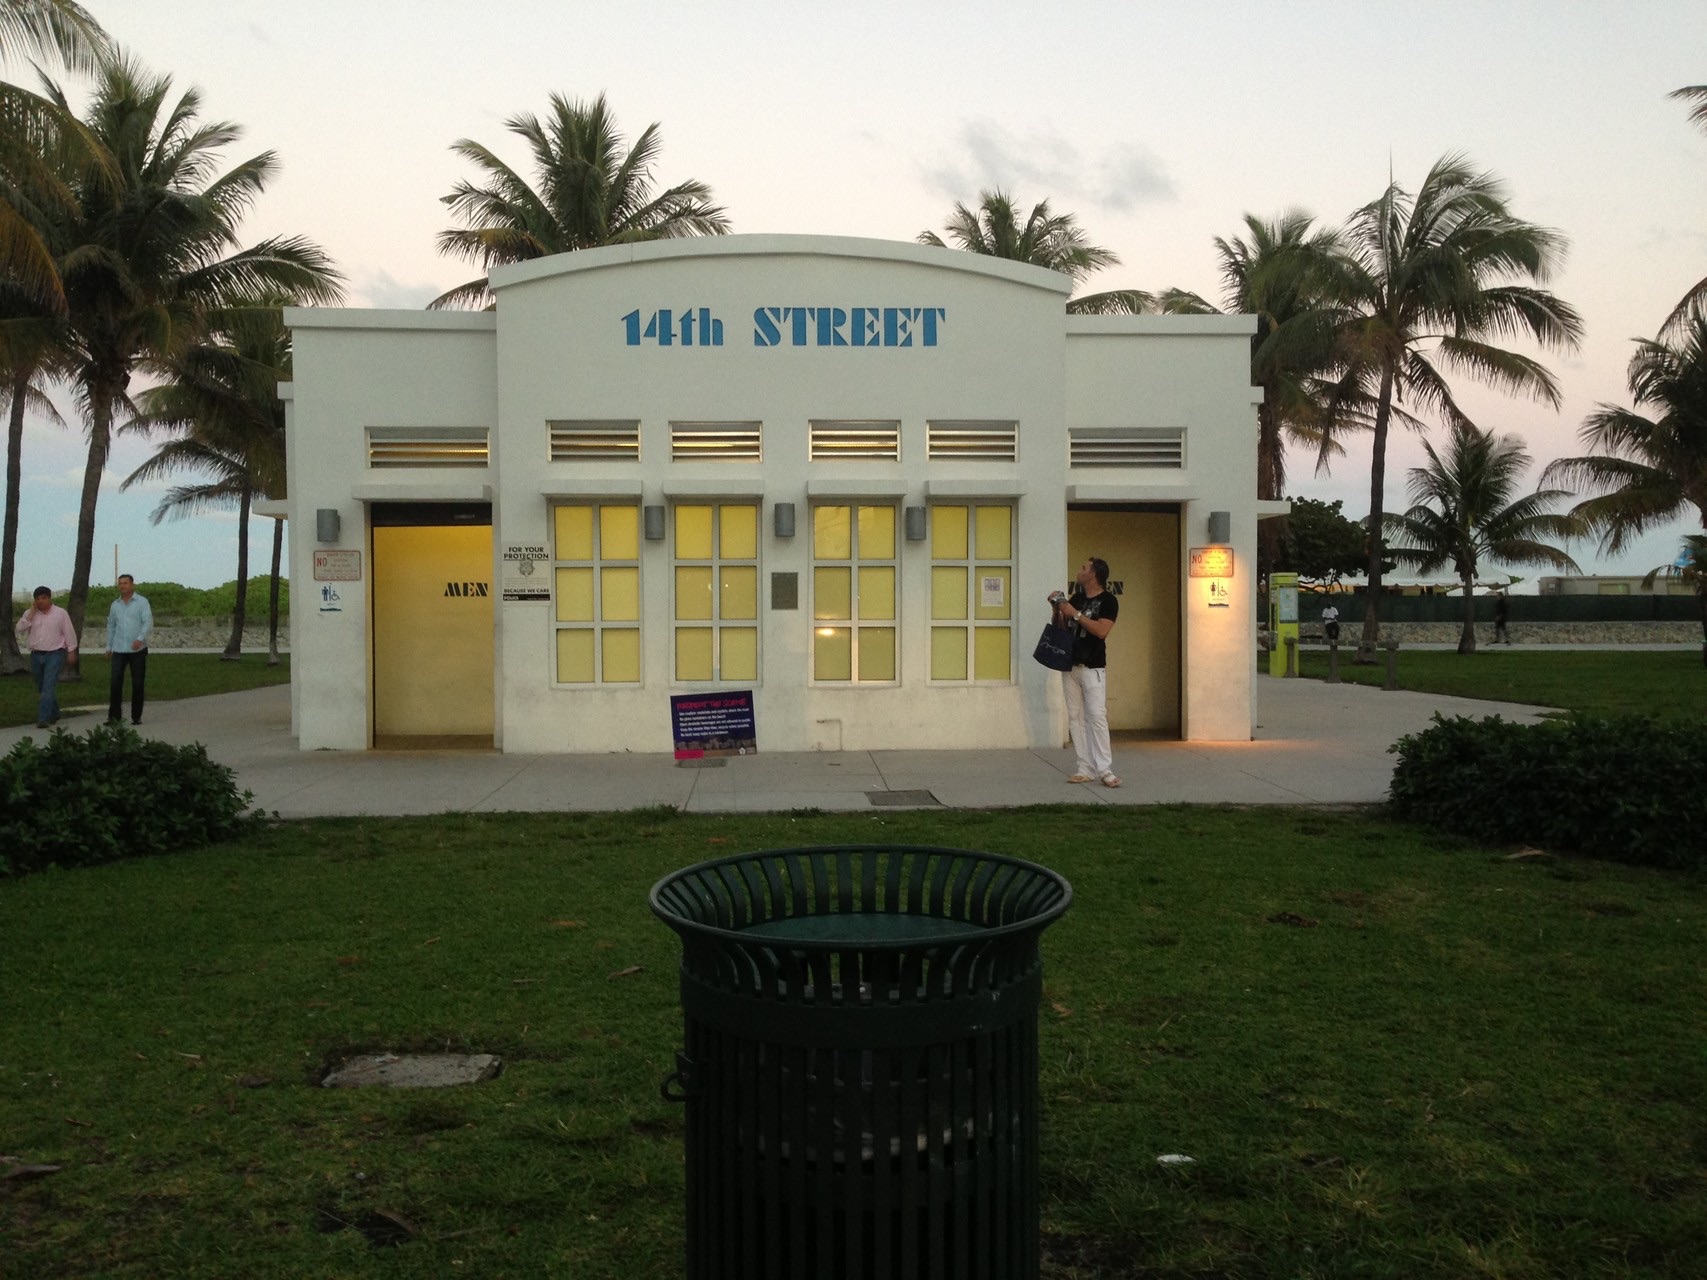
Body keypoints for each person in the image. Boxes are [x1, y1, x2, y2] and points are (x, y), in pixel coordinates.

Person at [1050, 556, 1121, 788]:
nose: (1079, 571)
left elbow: (1101, 631)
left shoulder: (1108, 601)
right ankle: (1084, 767)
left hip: (1093, 666)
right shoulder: (1077, 598)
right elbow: (1062, 627)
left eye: (1084, 568)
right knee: (1075, 717)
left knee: (1096, 716)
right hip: (1070, 664)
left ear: (1094, 574)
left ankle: (1105, 770)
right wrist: (1058, 609)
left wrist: (1076, 614)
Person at [15, 586, 79, 729]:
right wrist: (30, 615)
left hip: (55, 653)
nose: (40, 601)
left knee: (48, 686)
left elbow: (69, 632)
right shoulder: (30, 614)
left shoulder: (60, 613)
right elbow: (19, 629)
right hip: (36, 654)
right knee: (41, 685)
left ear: (49, 598)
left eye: (43, 598)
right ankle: (54, 712)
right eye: (38, 599)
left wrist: (71, 651)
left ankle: (43, 718)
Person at [106, 573, 153, 725]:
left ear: (132, 585)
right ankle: (114, 717)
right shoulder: (115, 605)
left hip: (137, 650)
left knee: (138, 684)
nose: (122, 586)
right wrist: (109, 646)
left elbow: (147, 622)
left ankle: (136, 716)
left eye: (125, 583)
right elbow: (111, 626)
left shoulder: (142, 602)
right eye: (120, 583)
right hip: (119, 649)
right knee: (115, 683)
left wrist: (140, 639)